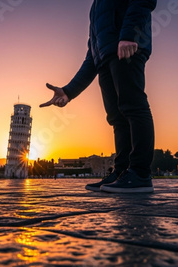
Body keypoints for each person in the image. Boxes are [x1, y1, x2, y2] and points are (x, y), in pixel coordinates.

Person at [40, 0, 157, 193]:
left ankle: (140, 174)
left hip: (127, 48)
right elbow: (92, 54)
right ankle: (122, 173)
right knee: (117, 118)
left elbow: (143, 1)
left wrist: (129, 34)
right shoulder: (95, 8)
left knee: (134, 107)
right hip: (105, 60)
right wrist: (69, 91)